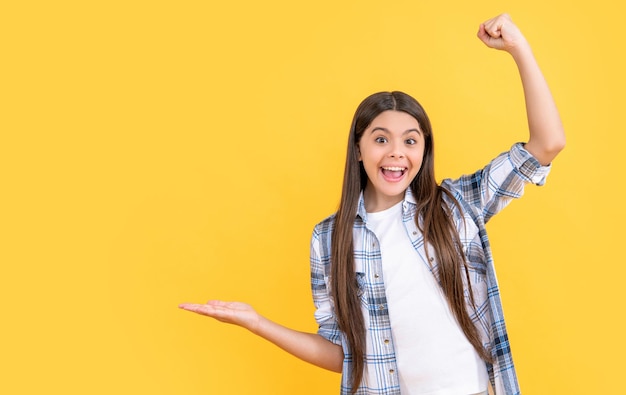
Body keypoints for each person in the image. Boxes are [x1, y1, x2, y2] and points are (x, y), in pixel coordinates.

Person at [179, 13, 565, 395]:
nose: (396, 153)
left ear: (424, 150)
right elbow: (344, 354)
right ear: (359, 149)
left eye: (410, 141)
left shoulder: (456, 205)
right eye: (381, 139)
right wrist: (258, 323)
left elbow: (547, 144)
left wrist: (519, 49)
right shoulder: (329, 238)